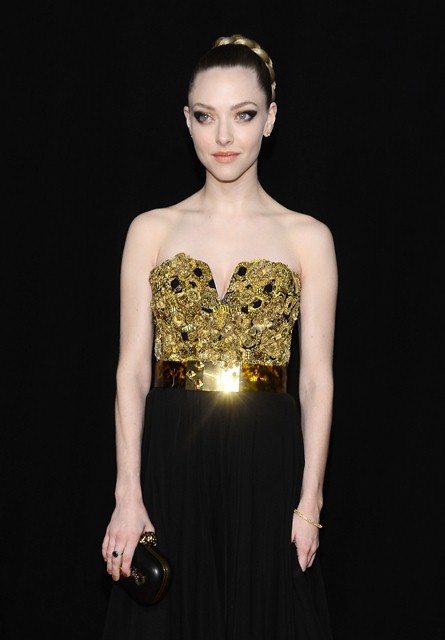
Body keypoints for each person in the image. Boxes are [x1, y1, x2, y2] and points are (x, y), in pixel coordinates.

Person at [101, 33, 337, 640]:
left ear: (271, 119)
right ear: (187, 121)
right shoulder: (151, 231)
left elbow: (315, 380)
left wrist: (310, 502)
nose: (224, 136)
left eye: (244, 115)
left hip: (268, 462)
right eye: (207, 116)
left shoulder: (309, 238)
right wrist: (128, 494)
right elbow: (132, 371)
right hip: (171, 457)